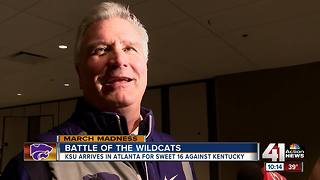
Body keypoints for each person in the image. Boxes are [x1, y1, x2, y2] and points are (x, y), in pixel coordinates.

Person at [1, 2, 196, 180]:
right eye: (101, 50)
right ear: (80, 73)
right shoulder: (35, 165)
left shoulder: (177, 154)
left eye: (129, 49)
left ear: (145, 66)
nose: (119, 60)